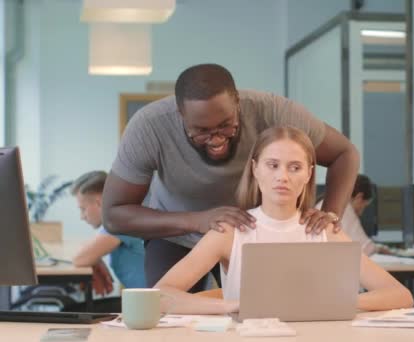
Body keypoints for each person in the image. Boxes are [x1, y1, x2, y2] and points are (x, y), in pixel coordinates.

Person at [102, 64, 360, 291]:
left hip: (250, 234)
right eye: (201, 131)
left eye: (226, 125)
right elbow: (114, 215)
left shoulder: (273, 111)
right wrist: (198, 220)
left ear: (237, 102)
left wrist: (330, 216)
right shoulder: (149, 127)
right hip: (175, 234)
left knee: (271, 312)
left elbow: (344, 153)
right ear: (180, 113)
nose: (216, 139)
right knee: (171, 319)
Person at [154, 127, 414, 314]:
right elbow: (161, 296)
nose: (283, 177)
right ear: (255, 169)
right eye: (273, 165)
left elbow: (400, 295)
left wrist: (337, 302)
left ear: (308, 174)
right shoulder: (230, 232)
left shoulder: (324, 231)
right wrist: (232, 305)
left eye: (295, 167)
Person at [70, 171, 146, 303]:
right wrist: (96, 259)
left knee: (70, 311)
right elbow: (87, 254)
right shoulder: (124, 214)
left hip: (151, 306)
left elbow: (80, 259)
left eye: (83, 209)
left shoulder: (120, 220)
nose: (82, 217)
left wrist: (93, 257)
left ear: (99, 203)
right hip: (146, 302)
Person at [317, 174, 391, 256]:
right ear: (359, 197)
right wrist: (379, 249)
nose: (362, 212)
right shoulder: (345, 208)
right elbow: (366, 249)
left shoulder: (325, 203)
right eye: (364, 205)